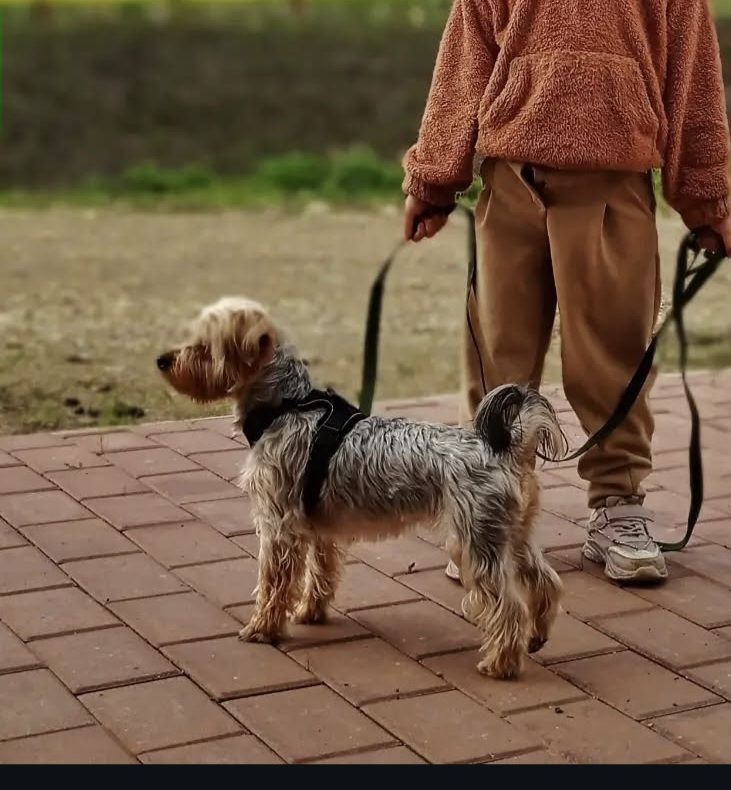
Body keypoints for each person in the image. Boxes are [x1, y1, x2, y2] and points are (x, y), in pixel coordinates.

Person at [403, 0, 731, 583]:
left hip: (614, 186)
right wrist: (433, 182)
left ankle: (619, 506)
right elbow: (462, 66)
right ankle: (491, 513)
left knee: (614, 354)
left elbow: (693, 83)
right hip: (510, 182)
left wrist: (708, 200)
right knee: (499, 356)